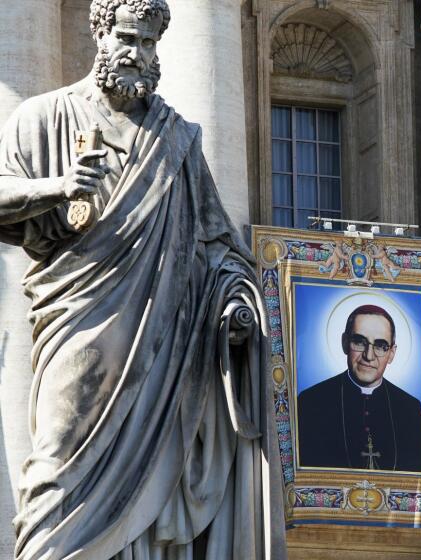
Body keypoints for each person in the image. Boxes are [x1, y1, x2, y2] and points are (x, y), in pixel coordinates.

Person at [0, 1, 284, 558]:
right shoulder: (43, 115)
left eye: (150, 45)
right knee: (55, 469)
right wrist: (58, 187)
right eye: (128, 40)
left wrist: (235, 304)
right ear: (99, 36)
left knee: (152, 491)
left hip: (164, 341)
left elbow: (217, 243)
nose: (138, 55)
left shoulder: (177, 137)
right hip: (78, 324)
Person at [296, 305, 421, 472]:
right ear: (345, 343)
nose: (369, 355)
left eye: (381, 346)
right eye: (359, 342)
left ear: (392, 354)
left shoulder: (410, 408)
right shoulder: (311, 402)